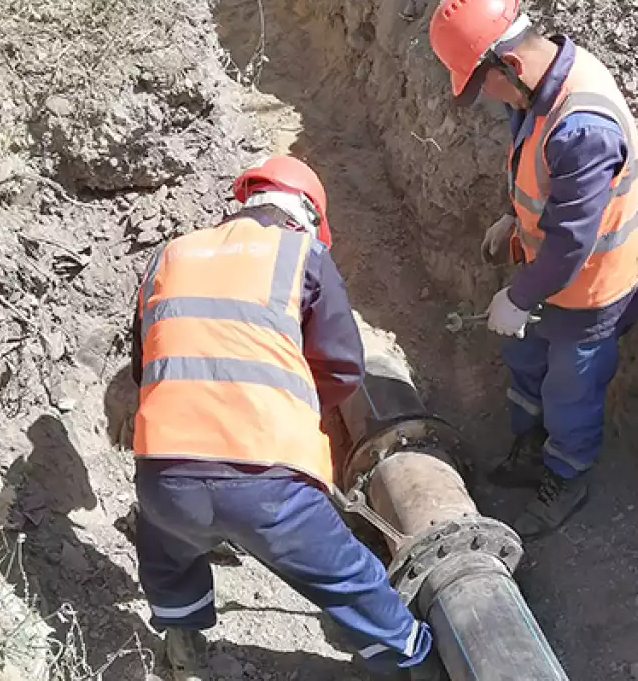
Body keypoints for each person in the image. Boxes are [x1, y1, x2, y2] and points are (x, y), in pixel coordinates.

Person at [129, 155, 440, 680]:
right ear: (309, 217)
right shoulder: (303, 255)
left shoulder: (169, 255)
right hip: (265, 480)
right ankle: (417, 663)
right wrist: (288, 404)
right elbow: (342, 367)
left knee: (169, 551)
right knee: (348, 578)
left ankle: (183, 647)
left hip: (164, 472)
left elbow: (147, 363)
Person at [428, 0, 638, 538]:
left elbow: (571, 243)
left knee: (571, 385)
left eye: (480, 84)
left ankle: (567, 473)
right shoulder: (540, 85)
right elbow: (544, 179)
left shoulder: (582, 127)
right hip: (555, 272)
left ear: (508, 62)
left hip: (594, 282)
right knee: (528, 359)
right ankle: (530, 445)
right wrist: (513, 219)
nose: (485, 96)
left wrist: (517, 296)